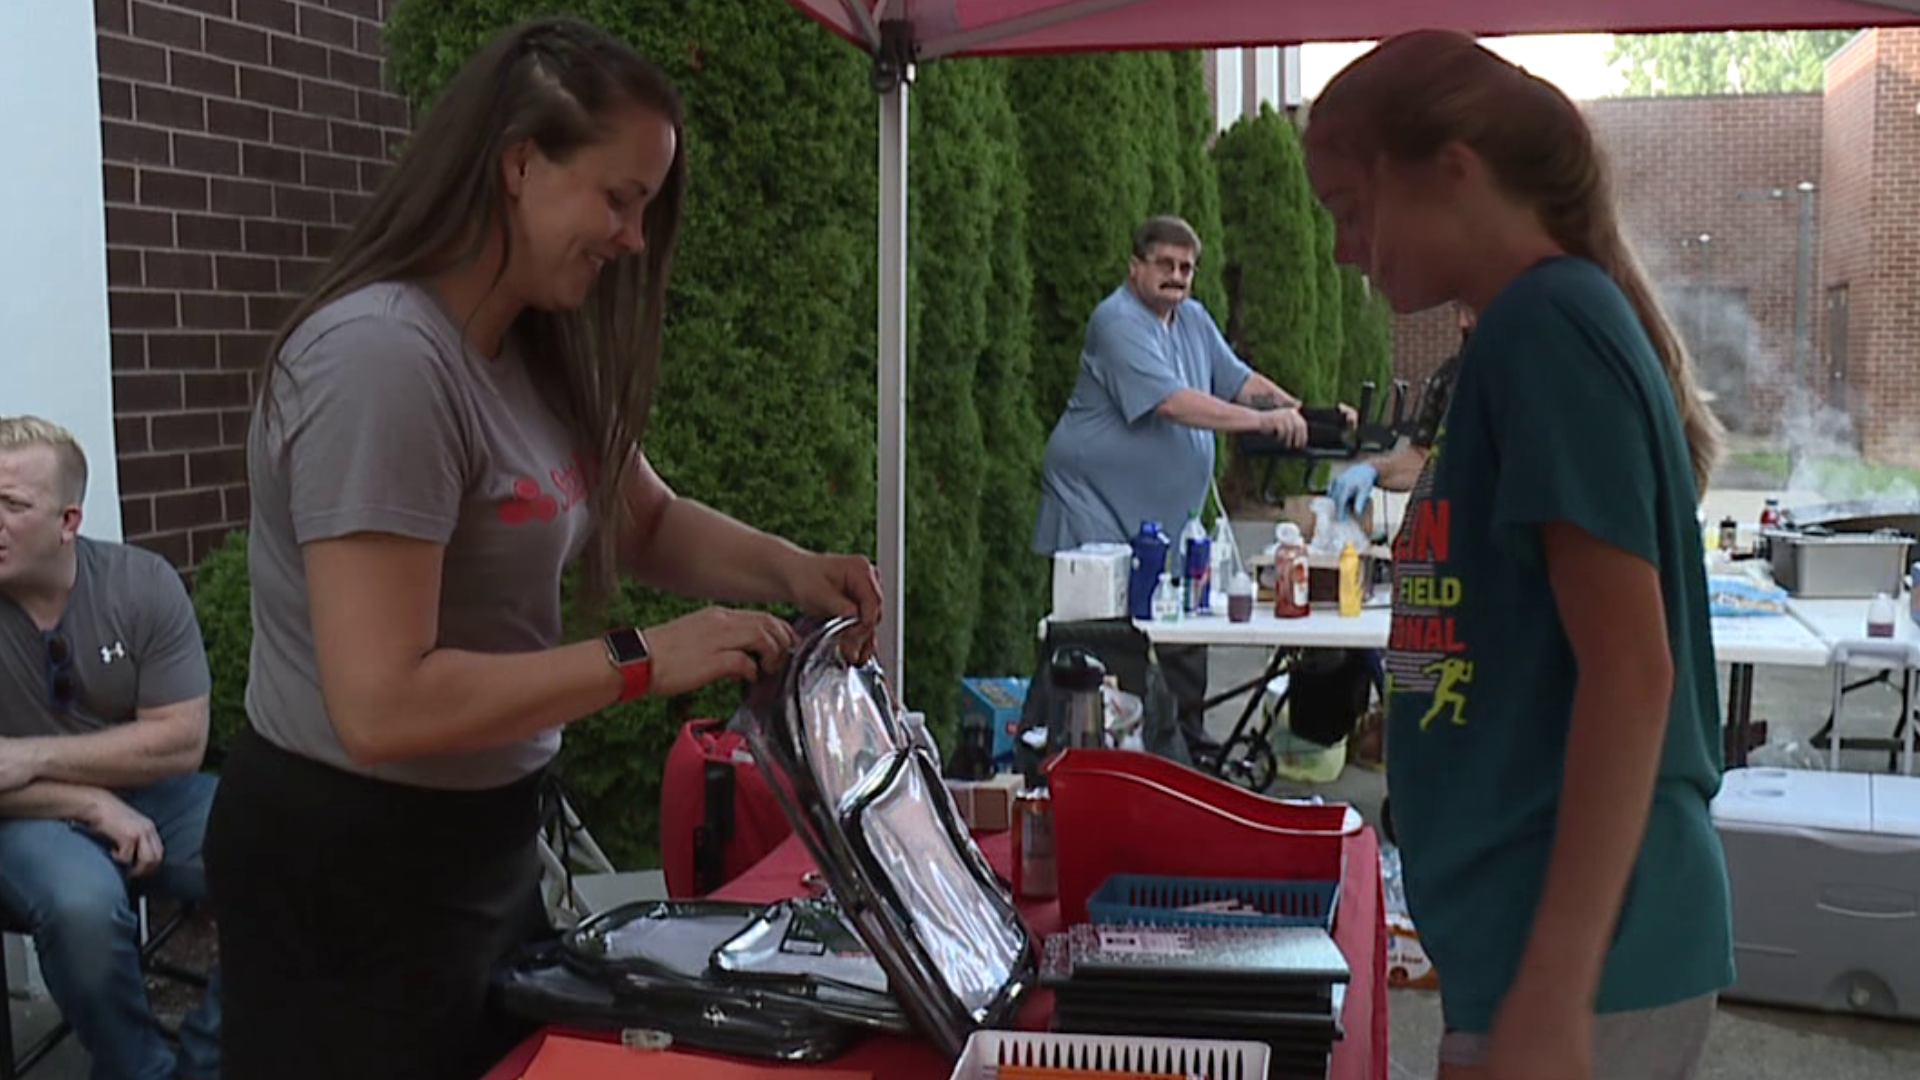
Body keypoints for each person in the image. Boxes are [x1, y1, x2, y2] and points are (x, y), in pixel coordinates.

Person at [201, 17, 882, 1080]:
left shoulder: (527, 347)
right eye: (620, 199)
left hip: (478, 841)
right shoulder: (382, 362)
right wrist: (644, 659)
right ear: (520, 162)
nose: (633, 239)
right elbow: (382, 704)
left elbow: (641, 517)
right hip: (347, 865)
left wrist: (797, 572)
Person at [1303, 30, 1732, 1080]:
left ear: (1453, 169)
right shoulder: (1520, 331)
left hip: (1590, 968)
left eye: (1352, 209)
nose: (1344, 250)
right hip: (1532, 949)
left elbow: (1632, 672)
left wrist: (1554, 988)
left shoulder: (1547, 326)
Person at [1033, 215, 1319, 752]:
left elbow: (1239, 381)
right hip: (1096, 513)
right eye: (1164, 263)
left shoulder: (1191, 319)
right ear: (1135, 267)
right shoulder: (1116, 321)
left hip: (1167, 525)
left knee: (1185, 629)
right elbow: (1172, 403)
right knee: (1108, 649)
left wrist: (1307, 414)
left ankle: (1188, 751)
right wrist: (1260, 424)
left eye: (1187, 267)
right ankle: (1113, 757)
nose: (1177, 276)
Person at [0, 415, 222, 1080]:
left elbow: (181, 741)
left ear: (67, 520)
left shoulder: (139, 583)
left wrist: (32, 757)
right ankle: (140, 1070)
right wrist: (89, 802)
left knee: (281, 850)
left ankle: (207, 1066)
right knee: (83, 908)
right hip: (22, 816)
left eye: (11, 505)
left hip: (155, 796)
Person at [1327, 302, 1475, 521]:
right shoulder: (1449, 378)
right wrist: (1372, 470)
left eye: (1472, 310)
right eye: (1457, 311)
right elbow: (1421, 458)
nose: (1462, 323)